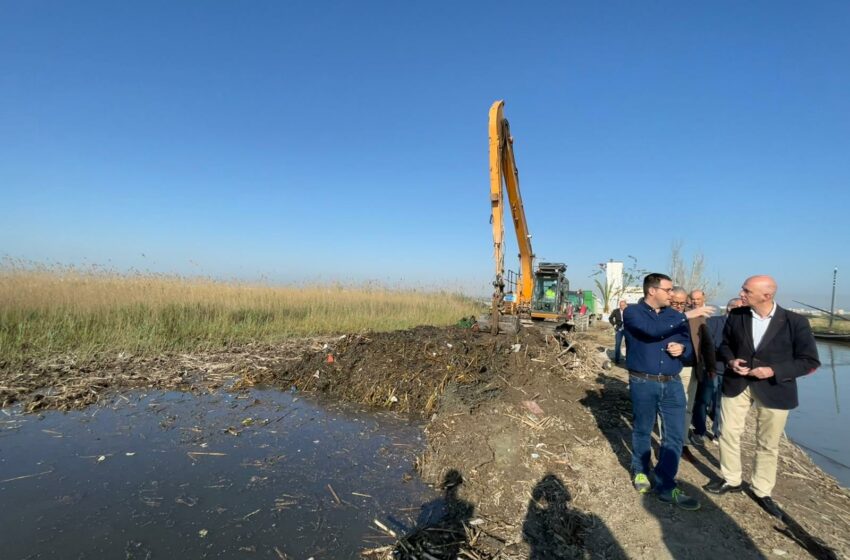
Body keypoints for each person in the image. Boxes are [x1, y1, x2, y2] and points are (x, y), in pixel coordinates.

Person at [704, 276, 820, 518]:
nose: (741, 292)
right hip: (737, 383)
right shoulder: (737, 316)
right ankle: (731, 480)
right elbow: (724, 345)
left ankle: (761, 490)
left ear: (766, 296)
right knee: (727, 432)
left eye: (746, 290)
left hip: (776, 388)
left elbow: (809, 361)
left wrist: (773, 370)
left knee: (768, 443)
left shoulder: (795, 322)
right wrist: (731, 360)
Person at [623, 273, 714, 510]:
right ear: (652, 291)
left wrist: (681, 348)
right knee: (643, 428)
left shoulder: (675, 316)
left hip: (673, 383)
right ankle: (641, 470)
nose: (672, 294)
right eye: (668, 289)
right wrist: (687, 315)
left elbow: (687, 346)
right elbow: (650, 331)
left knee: (674, 434)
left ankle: (666, 484)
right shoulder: (633, 312)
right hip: (643, 382)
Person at [667, 288, 716, 458]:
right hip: (667, 368)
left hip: (690, 367)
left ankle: (682, 443)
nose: (679, 306)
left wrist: (710, 367)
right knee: (667, 407)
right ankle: (668, 442)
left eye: (682, 303)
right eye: (675, 303)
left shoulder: (694, 316)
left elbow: (706, 343)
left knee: (688, 407)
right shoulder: (661, 316)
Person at [695, 298, 743, 444]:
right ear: (730, 308)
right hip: (712, 368)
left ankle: (717, 432)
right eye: (740, 308)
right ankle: (699, 430)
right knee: (703, 400)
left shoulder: (744, 326)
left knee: (721, 404)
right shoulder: (713, 322)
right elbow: (708, 344)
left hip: (732, 372)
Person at [608, 300, 628, 364]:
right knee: (618, 344)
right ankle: (617, 360)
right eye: (620, 305)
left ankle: (628, 359)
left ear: (626, 305)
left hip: (627, 329)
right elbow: (610, 318)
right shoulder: (616, 311)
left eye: (623, 305)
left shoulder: (629, 311)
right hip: (619, 329)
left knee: (628, 344)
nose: (621, 307)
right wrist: (614, 325)